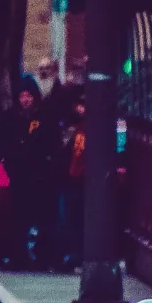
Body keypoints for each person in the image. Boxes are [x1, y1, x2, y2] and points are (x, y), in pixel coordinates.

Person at [0, 75, 59, 269]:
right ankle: (18, 257)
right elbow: (3, 145)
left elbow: (52, 144)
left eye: (28, 96)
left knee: (45, 219)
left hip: (41, 176)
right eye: (22, 96)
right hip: (19, 176)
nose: (25, 100)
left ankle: (44, 257)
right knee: (18, 219)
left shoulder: (46, 117)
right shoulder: (10, 118)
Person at [55, 87, 86, 270]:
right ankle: (70, 254)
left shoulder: (88, 129)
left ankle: (76, 254)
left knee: (76, 219)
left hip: (81, 181)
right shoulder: (68, 128)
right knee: (68, 220)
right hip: (69, 180)